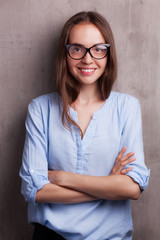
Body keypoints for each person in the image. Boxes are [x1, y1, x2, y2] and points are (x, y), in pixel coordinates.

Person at [20, 11, 150, 240]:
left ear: (108, 54)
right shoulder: (40, 109)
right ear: (65, 53)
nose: (88, 59)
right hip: (51, 236)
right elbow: (35, 190)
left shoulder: (127, 107)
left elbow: (132, 189)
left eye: (98, 49)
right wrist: (110, 186)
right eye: (77, 49)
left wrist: (62, 178)